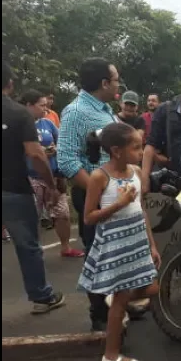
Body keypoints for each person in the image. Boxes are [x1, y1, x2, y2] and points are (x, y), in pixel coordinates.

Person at [79, 122, 160, 361]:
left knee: (153, 289)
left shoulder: (135, 171)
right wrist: (119, 203)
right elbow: (89, 217)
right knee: (122, 300)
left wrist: (152, 245)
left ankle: (115, 299)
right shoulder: (99, 177)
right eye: (136, 147)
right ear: (116, 150)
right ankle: (111, 355)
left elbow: (142, 210)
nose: (140, 151)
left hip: (136, 244)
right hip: (116, 245)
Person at [58, 57, 121, 332]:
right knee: (97, 256)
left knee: (117, 252)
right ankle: (100, 315)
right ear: (104, 83)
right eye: (116, 79)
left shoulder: (106, 109)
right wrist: (101, 190)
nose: (118, 83)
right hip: (94, 198)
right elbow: (68, 162)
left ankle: (119, 305)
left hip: (116, 197)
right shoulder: (75, 112)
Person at [2, 62, 65, 313]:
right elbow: (36, 155)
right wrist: (51, 184)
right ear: (10, 84)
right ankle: (42, 297)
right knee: (27, 245)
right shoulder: (18, 113)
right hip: (14, 189)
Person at [18, 89, 84, 258]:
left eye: (46, 106)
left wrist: (55, 150)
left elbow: (63, 141)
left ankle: (66, 247)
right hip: (31, 177)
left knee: (62, 213)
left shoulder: (47, 124)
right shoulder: (19, 125)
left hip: (53, 176)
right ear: (28, 105)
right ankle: (33, 251)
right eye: (42, 106)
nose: (45, 110)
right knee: (32, 217)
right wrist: (35, 153)